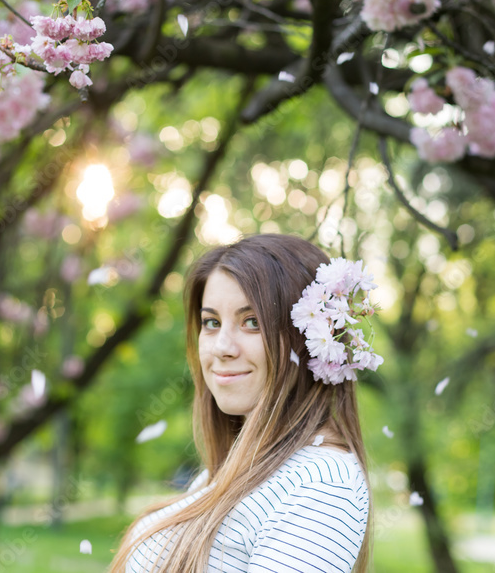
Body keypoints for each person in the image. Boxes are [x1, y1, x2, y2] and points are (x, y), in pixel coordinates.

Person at [108, 234, 379, 573]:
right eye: (211, 323)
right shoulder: (228, 469)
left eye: (252, 322)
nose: (222, 347)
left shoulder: (321, 482)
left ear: (308, 339)